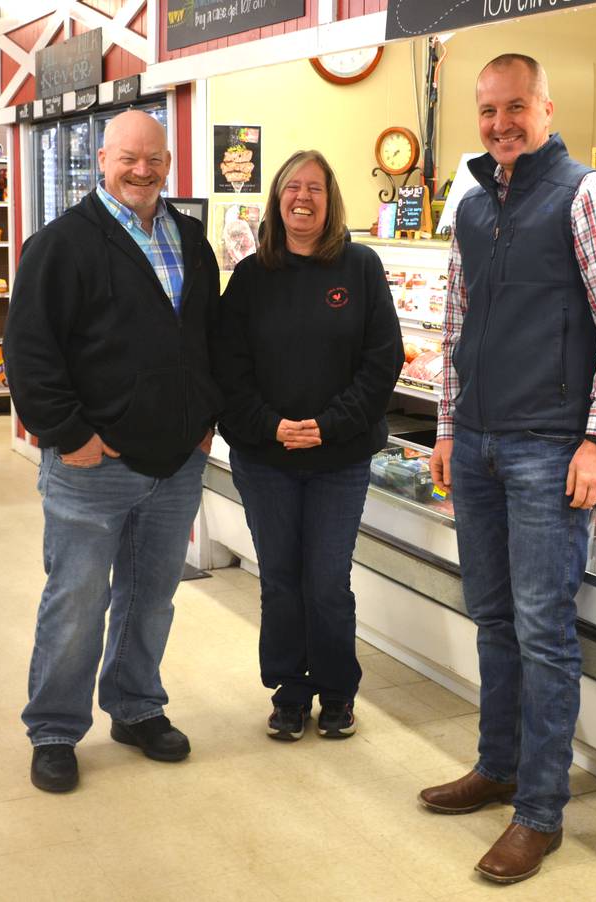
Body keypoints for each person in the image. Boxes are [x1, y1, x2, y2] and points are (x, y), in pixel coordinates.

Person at [418, 55, 596, 884]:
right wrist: (447, 428)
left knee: (544, 631)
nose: (500, 123)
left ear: (546, 109)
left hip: (549, 447)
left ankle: (540, 811)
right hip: (475, 443)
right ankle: (498, 764)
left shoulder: (587, 194)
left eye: (516, 107)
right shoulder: (474, 206)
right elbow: (454, 327)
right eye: (487, 110)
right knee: (492, 618)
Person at [3, 110, 222, 793]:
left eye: (154, 158)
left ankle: (135, 707)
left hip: (174, 461)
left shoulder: (189, 237)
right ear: (102, 159)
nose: (143, 169)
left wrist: (204, 414)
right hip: (90, 465)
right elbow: (30, 353)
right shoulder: (61, 244)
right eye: (129, 157)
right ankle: (55, 730)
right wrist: (69, 434)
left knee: (151, 598)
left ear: (167, 161)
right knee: (75, 602)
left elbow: (207, 338)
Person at [216, 150, 404, 741]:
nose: (303, 198)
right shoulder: (251, 276)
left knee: (327, 580)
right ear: (276, 198)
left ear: (331, 198)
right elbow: (229, 368)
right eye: (292, 187)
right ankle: (290, 690)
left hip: (338, 458)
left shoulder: (360, 267)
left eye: (315, 188)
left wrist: (329, 424)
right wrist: (271, 425)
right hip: (265, 457)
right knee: (280, 576)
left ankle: (338, 691)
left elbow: (382, 362)